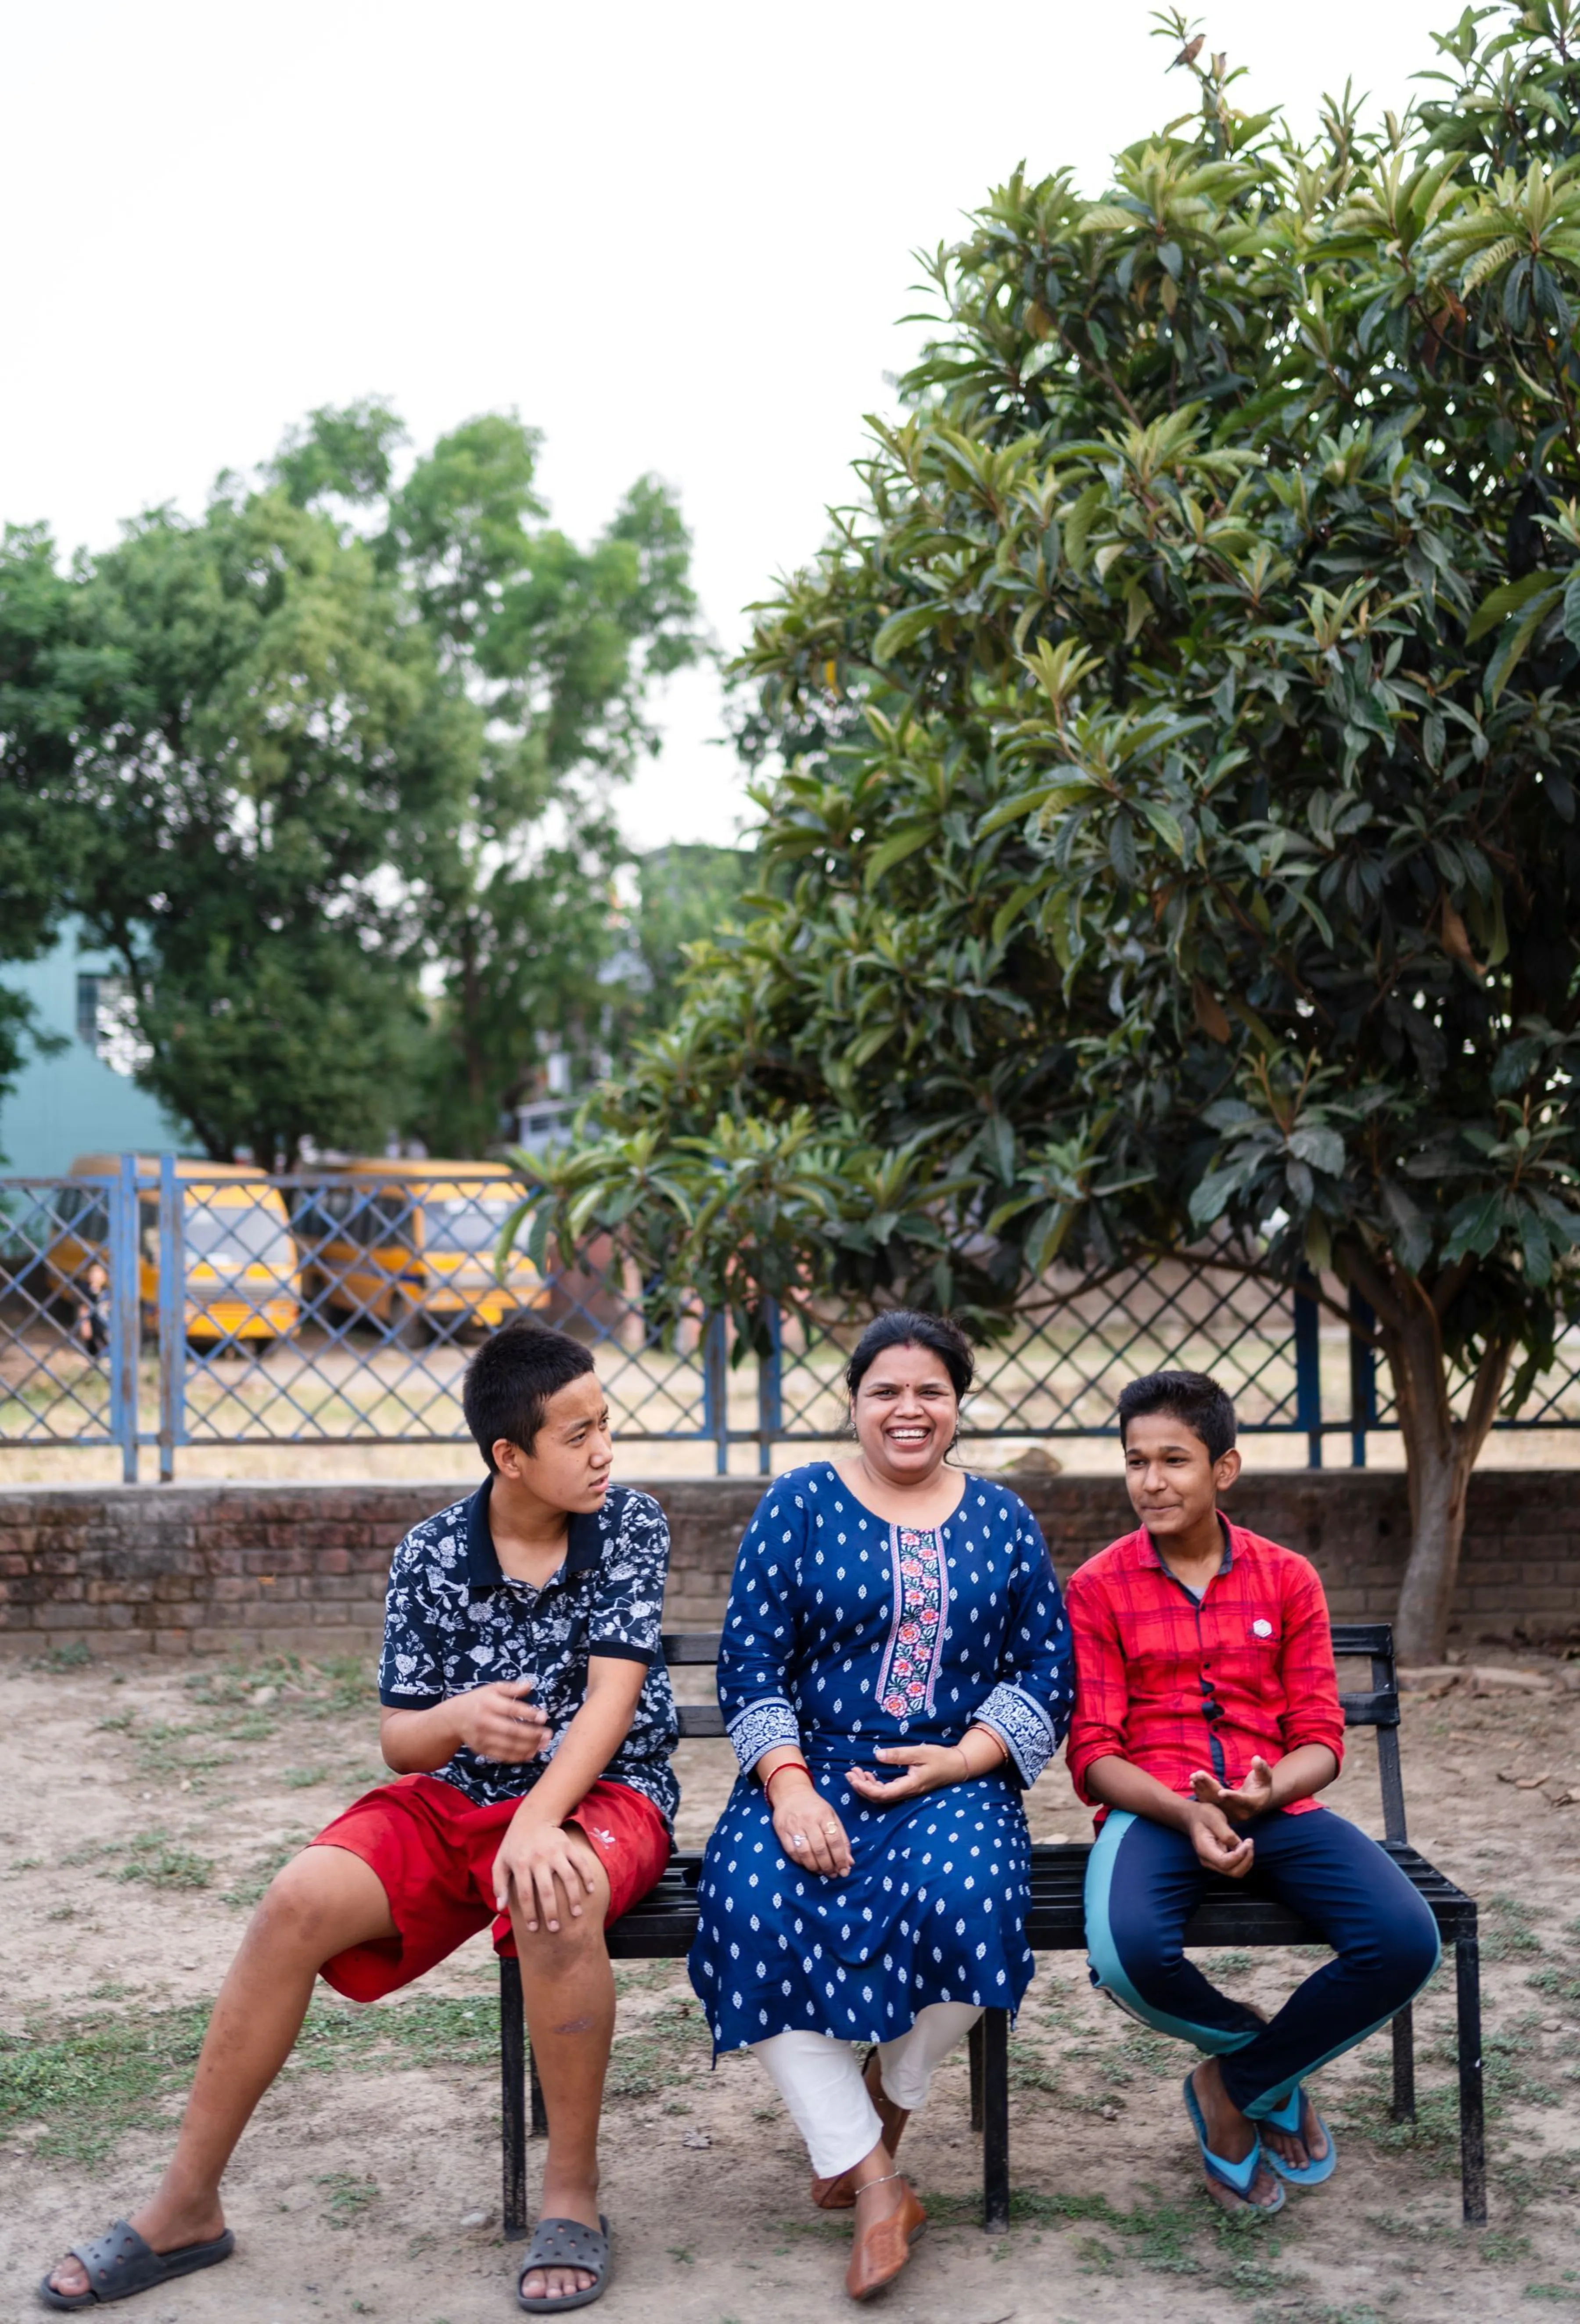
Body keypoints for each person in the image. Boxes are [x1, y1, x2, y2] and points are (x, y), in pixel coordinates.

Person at [40, 1321, 678, 2316]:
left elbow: (611, 1702)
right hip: (457, 1799)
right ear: (509, 1455)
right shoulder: (430, 1552)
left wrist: (538, 1820)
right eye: (578, 1433)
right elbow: (400, 1741)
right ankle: (186, 2205)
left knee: (553, 1894)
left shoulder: (630, 1524)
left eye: (609, 1425)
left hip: (604, 1796)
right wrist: (458, 1719)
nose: (605, 1451)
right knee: (296, 1898)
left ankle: (571, 2200)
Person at [688, 1310, 1073, 2303]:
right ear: (854, 1404)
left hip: (958, 1775)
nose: (909, 1410)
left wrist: (963, 1761)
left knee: (972, 1901)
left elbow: (1044, 1673)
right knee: (749, 1904)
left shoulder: (1002, 1520)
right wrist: (786, 1783)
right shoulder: (800, 1503)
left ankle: (883, 2100)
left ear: (958, 1404)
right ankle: (874, 2178)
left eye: (930, 1391)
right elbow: (752, 1660)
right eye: (886, 1392)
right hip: (809, 1768)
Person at [1065, 1369, 1440, 2217]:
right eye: (1135, 1462)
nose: (1151, 1482)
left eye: (1175, 1460)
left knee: (1405, 1938)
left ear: (1224, 1469)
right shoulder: (1096, 1587)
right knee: (1124, 1952)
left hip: (1279, 1806)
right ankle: (1261, 2054)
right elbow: (1092, 1752)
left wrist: (1266, 1792)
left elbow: (1320, 1731)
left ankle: (1232, 2087)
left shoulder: (1287, 1578)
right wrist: (1188, 1807)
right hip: (1154, 1811)